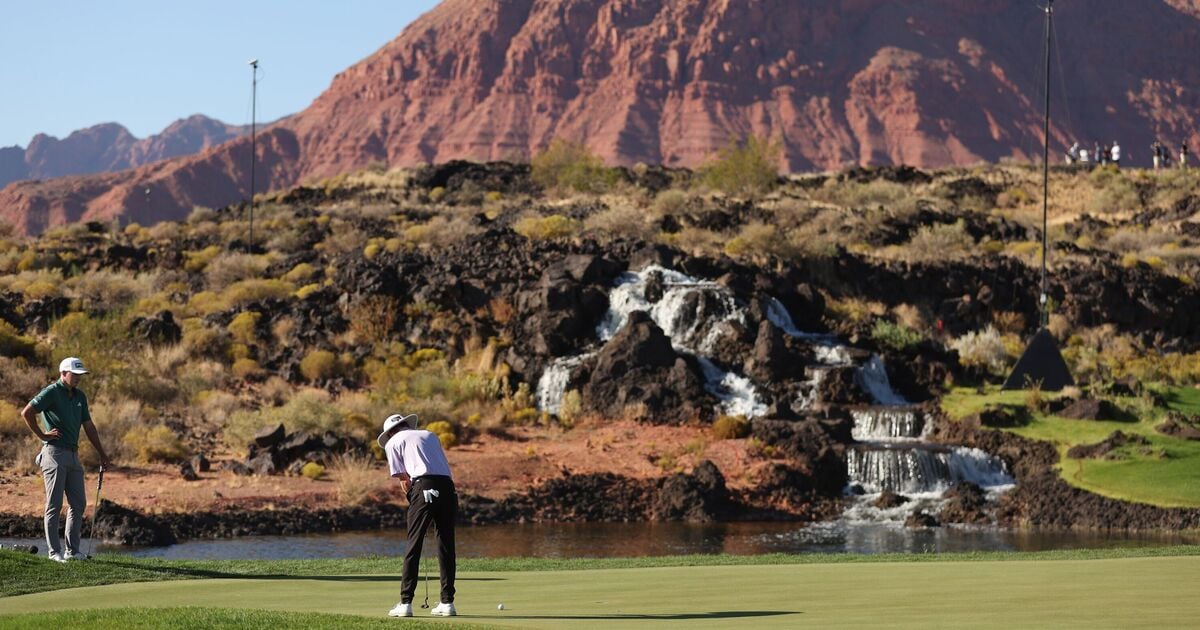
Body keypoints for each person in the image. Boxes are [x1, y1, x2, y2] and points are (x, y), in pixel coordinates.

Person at [21, 357, 110, 562]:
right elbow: (27, 412)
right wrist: (42, 436)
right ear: (63, 373)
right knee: (53, 505)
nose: (78, 378)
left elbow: (88, 426)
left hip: (72, 455)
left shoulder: (80, 396)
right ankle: (54, 553)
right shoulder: (52, 392)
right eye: (74, 374)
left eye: (80, 375)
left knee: (78, 503)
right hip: (53, 453)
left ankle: (72, 551)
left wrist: (102, 453)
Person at [381, 413, 458, 618]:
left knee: (413, 544)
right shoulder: (430, 435)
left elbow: (404, 478)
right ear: (407, 425)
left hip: (423, 486)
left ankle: (405, 603)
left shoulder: (392, 443)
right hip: (448, 488)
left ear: (390, 432)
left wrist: (412, 498)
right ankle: (447, 602)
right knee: (446, 544)